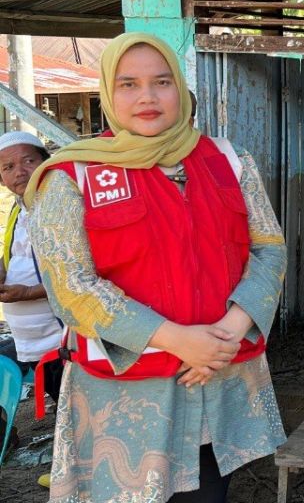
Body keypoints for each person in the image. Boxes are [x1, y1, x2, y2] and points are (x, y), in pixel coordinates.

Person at [26, 32, 287, 503]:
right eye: (128, 84)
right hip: (127, 398)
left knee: (209, 494)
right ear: (108, 92)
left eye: (161, 81)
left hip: (218, 379)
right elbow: (72, 287)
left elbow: (269, 249)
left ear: (181, 90)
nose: (147, 96)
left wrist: (226, 333)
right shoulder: (72, 177)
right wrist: (180, 339)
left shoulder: (230, 161)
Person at [0, 131, 61, 489]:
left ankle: (82, 475)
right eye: (8, 167)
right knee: (64, 403)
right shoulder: (17, 211)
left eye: (28, 161)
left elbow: (81, 276)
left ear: (45, 162)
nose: (19, 172)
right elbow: (15, 258)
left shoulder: (59, 206)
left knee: (78, 406)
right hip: (32, 340)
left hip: (63, 336)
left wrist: (26, 292)